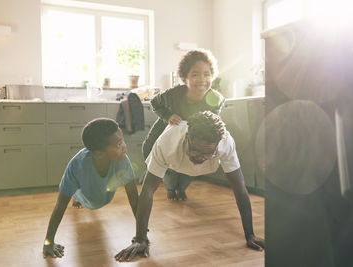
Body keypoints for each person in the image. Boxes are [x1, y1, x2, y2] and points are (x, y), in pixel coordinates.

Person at [115, 111, 265, 262]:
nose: (200, 157)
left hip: (190, 162)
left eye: (207, 153)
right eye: (195, 150)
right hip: (174, 162)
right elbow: (148, 190)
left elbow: (239, 188)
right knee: (169, 180)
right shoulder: (166, 142)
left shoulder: (226, 143)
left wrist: (250, 235)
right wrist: (140, 238)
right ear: (188, 138)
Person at [42, 118, 138, 258]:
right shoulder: (77, 166)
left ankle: (78, 193)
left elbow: (134, 198)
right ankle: (76, 196)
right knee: (79, 193)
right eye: (118, 144)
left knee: (98, 195)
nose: (124, 146)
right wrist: (48, 243)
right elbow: (60, 206)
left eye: (122, 140)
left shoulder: (122, 160)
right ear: (100, 154)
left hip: (104, 195)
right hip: (85, 195)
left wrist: (141, 236)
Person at [142, 49, 225, 200]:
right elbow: (154, 102)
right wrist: (168, 116)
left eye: (206, 74)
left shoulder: (215, 98)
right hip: (168, 128)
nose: (202, 79)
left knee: (191, 159)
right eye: (195, 74)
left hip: (193, 134)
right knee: (155, 153)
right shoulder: (173, 94)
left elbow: (215, 117)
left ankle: (180, 188)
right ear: (184, 78)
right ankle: (170, 186)